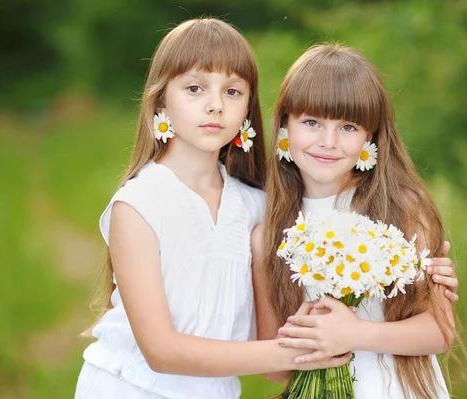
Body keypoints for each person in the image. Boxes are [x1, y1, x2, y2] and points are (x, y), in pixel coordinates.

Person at [74, 20, 349, 399]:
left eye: (233, 91)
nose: (215, 104)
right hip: (127, 389)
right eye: (194, 88)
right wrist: (291, 350)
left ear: (247, 111)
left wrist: (420, 267)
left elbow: (276, 364)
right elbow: (162, 352)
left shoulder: (257, 206)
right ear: (160, 102)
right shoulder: (139, 204)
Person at [252, 44, 460, 399]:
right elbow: (275, 370)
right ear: (285, 124)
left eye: (347, 126)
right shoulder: (268, 235)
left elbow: (440, 332)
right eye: (312, 122)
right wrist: (307, 331)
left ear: (370, 136)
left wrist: (354, 333)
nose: (328, 142)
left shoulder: (402, 209)